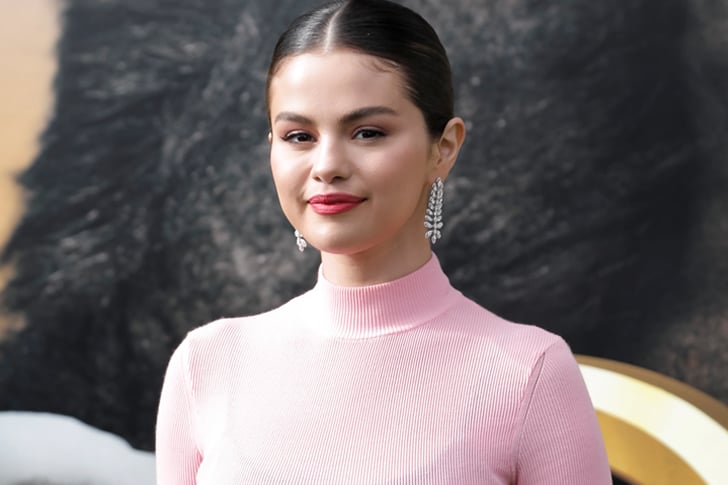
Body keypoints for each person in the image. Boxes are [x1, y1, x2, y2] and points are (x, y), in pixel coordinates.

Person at [155, 0, 612, 483]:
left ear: (444, 148)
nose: (327, 165)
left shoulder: (529, 374)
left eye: (367, 132)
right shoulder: (207, 365)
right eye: (299, 136)